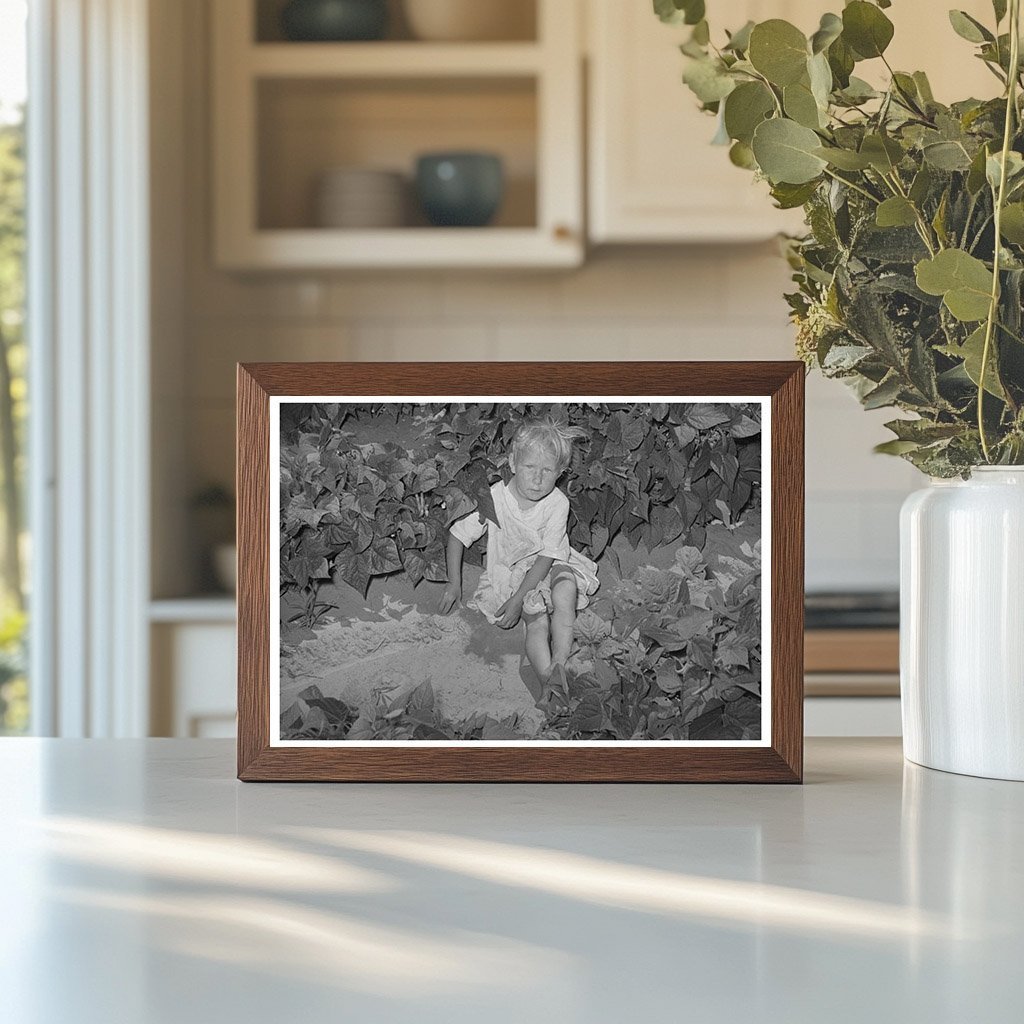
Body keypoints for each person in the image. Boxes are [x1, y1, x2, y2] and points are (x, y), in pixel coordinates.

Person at [439, 416, 600, 709]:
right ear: (513, 463)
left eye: (547, 471)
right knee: (536, 622)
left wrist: (518, 598)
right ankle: (547, 683)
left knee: (565, 590)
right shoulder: (494, 499)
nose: (537, 479)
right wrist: (454, 583)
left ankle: (560, 665)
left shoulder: (557, 503)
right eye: (529, 468)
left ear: (560, 473)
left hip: (549, 564)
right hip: (513, 575)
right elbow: (458, 536)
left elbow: (548, 556)